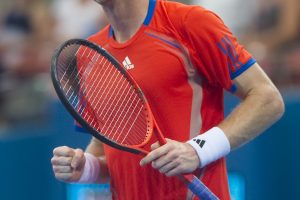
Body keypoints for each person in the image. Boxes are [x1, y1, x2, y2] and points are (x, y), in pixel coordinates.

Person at [51, 0, 285, 199]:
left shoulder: (189, 23)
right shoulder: (89, 56)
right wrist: (85, 167)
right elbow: (110, 153)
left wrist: (197, 150)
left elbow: (268, 98)